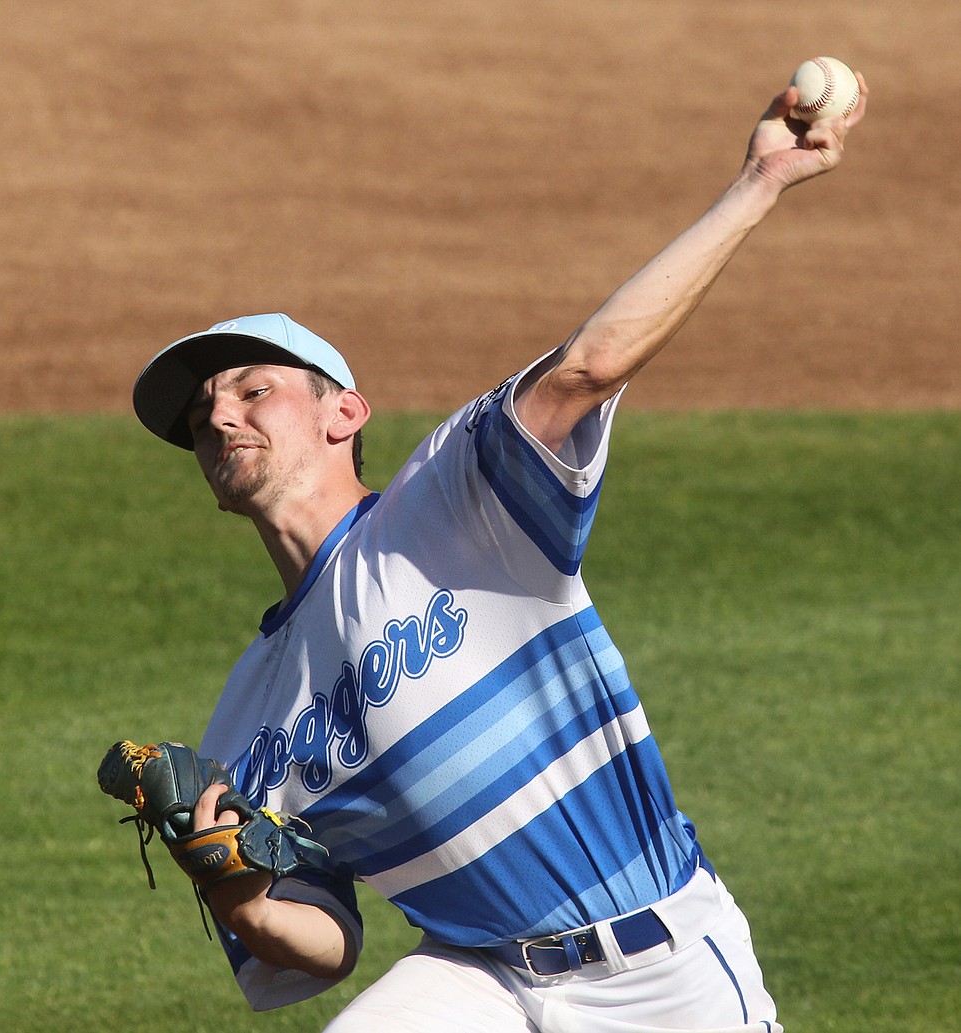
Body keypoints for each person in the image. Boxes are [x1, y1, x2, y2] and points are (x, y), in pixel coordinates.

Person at [128, 72, 867, 1032]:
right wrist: (223, 871)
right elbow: (321, 948)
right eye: (199, 416)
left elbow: (588, 366)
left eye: (251, 389)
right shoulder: (247, 720)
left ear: (344, 413)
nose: (218, 415)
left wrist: (758, 183)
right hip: (479, 981)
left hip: (658, 965)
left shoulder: (455, 502)